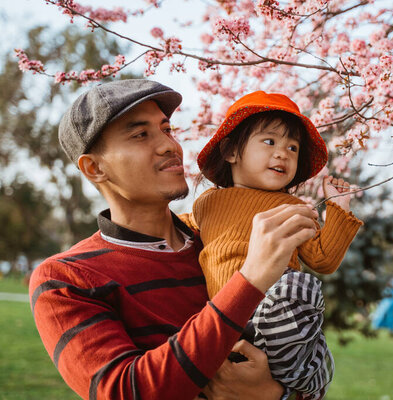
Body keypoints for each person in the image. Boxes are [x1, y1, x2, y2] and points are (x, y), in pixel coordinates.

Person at [28, 79, 319, 400]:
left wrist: (274, 394)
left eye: (166, 129)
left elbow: (300, 361)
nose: (171, 145)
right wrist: (249, 280)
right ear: (95, 168)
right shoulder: (66, 278)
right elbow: (125, 391)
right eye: (140, 134)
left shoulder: (219, 241)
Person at [188, 91, 363, 399]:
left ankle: (306, 373)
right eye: (269, 142)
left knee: (299, 288)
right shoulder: (207, 203)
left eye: (292, 147)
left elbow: (323, 259)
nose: (283, 153)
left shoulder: (290, 207)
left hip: (273, 312)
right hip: (224, 317)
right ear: (231, 152)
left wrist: (338, 208)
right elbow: (183, 230)